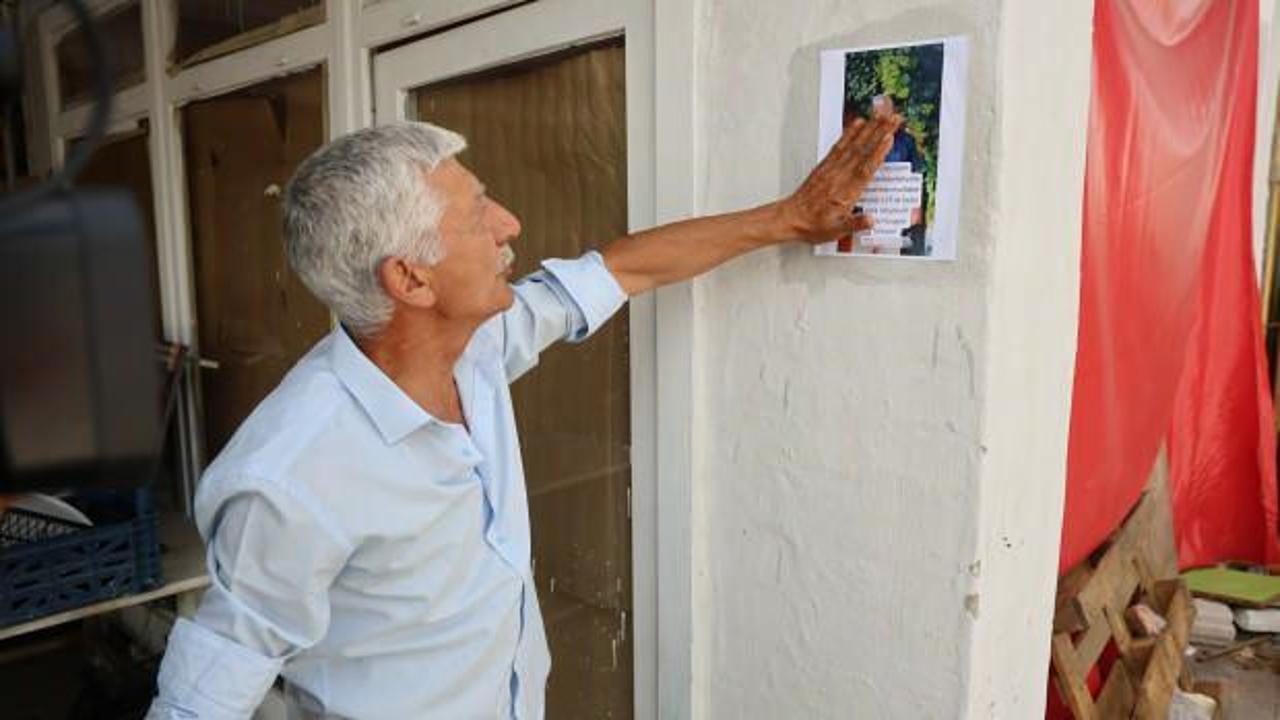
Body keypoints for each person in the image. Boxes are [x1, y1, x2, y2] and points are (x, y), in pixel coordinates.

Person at [145, 115, 899, 720]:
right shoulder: (292, 474)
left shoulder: (474, 345)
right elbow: (201, 694)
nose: (508, 223)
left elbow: (622, 269)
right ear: (409, 278)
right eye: (476, 213)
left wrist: (790, 218)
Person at [871, 94, 928, 256]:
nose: (883, 117)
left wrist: (916, 207)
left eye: (887, 112)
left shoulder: (906, 141)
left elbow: (916, 173)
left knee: (900, 252)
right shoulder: (866, 141)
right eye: (878, 113)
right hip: (875, 205)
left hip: (900, 205)